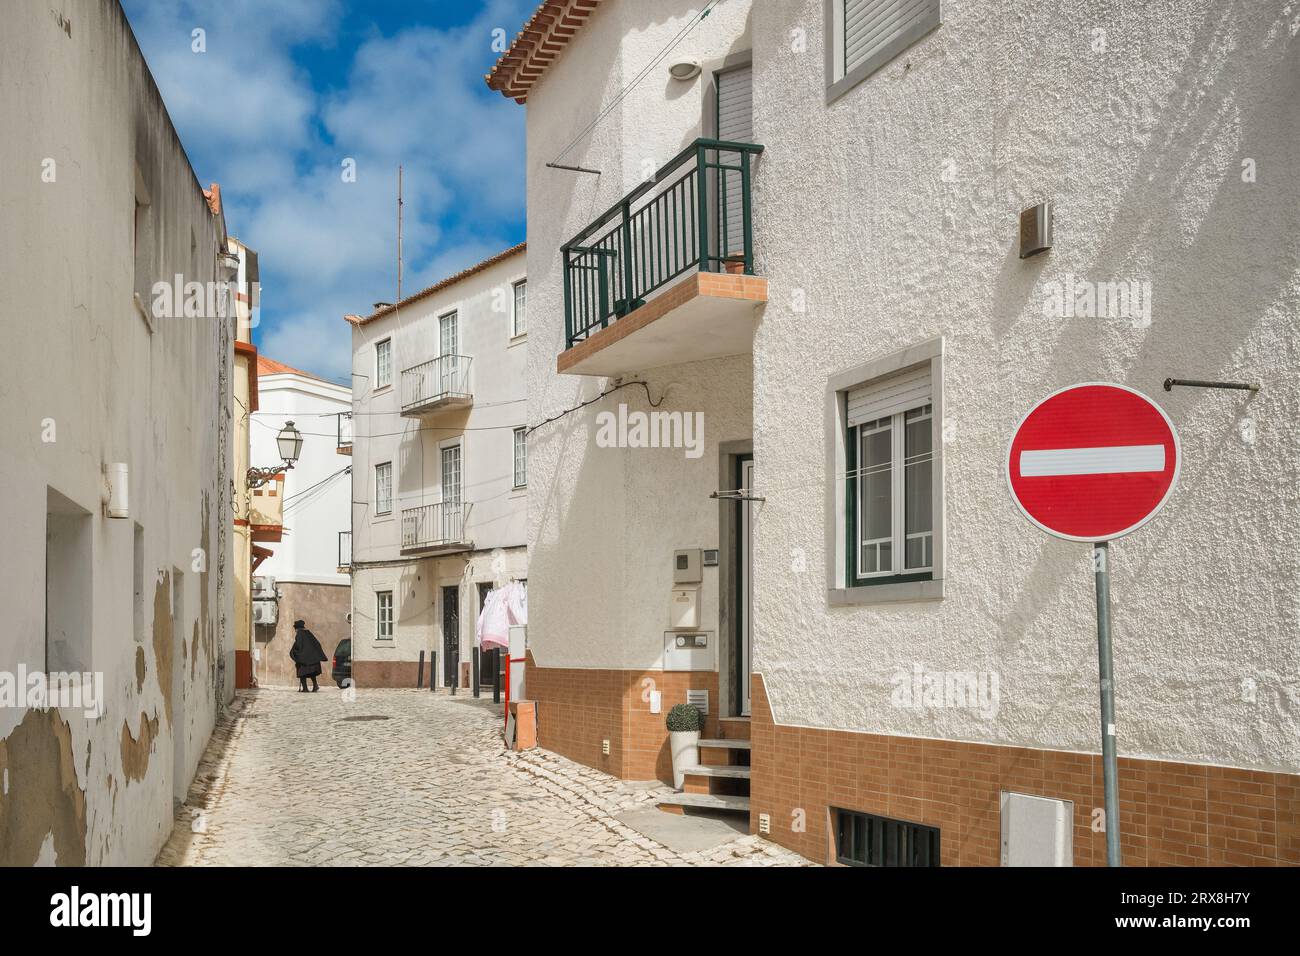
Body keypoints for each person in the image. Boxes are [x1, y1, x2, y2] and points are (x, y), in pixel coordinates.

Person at [289, 620, 327, 692]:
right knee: (312, 673)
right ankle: (315, 686)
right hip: (313, 659)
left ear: (297, 628)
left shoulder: (299, 634)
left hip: (304, 659)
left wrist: (295, 653)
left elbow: (298, 645)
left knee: (302, 673)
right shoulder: (309, 633)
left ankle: (305, 688)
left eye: (295, 629)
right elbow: (317, 644)